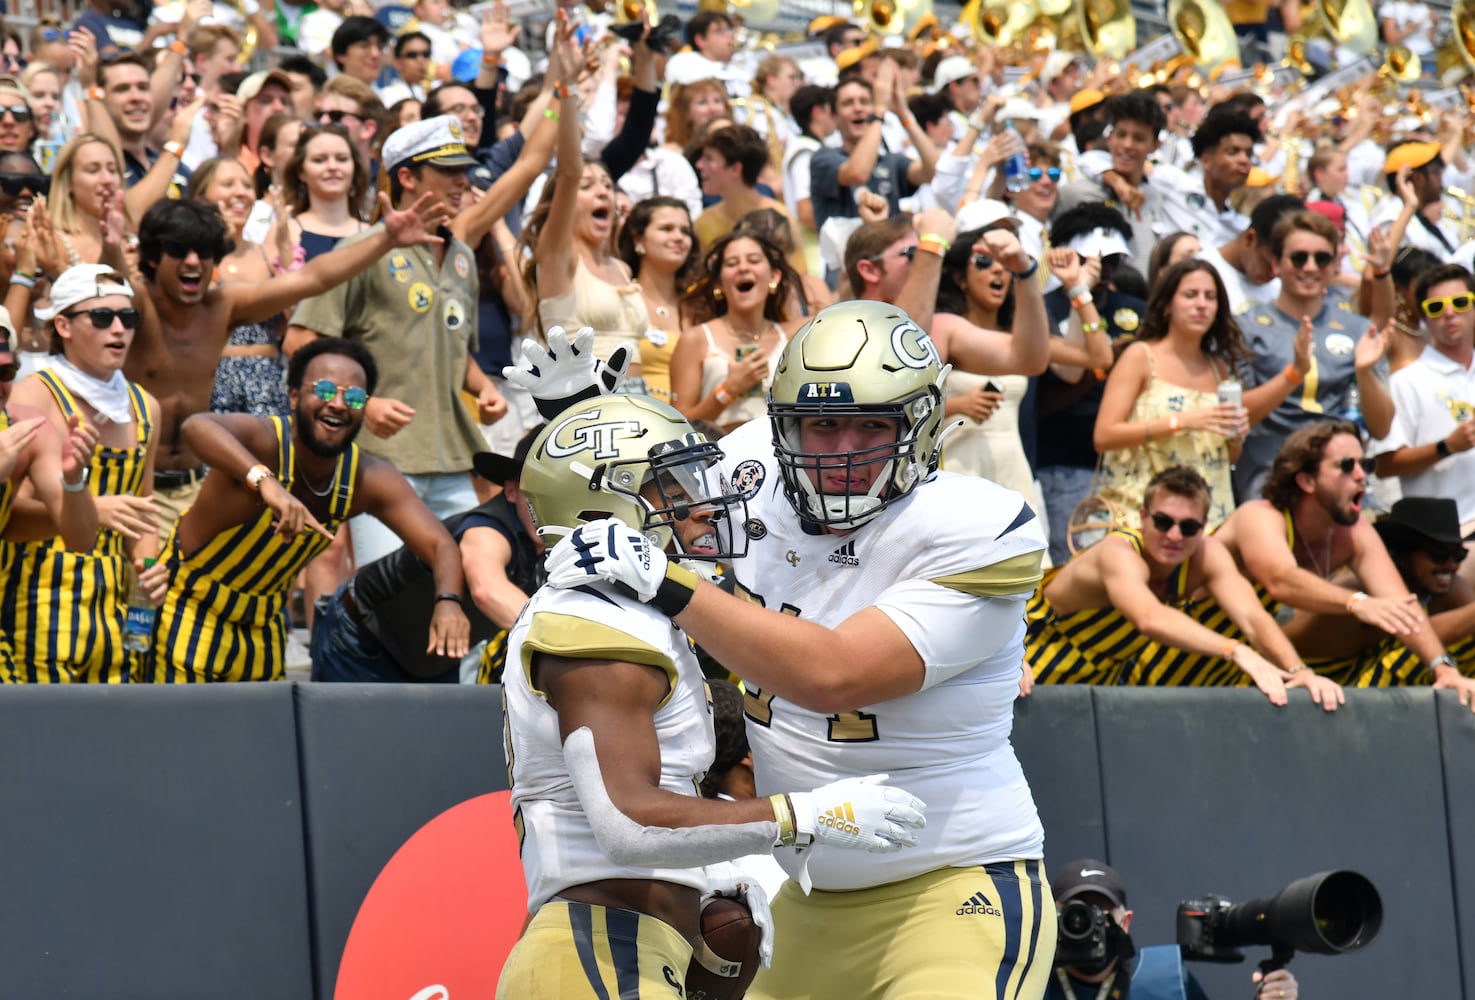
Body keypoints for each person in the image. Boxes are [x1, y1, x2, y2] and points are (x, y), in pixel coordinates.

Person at [542, 298, 1059, 998]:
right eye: (819, 425)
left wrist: (666, 581)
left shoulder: (982, 526)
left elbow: (832, 676)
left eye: (869, 425)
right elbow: (639, 498)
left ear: (921, 424)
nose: (842, 451)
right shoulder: (752, 461)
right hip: (809, 898)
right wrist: (584, 424)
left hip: (954, 885)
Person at [498, 390, 926, 998]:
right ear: (609, 503)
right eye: (673, 487)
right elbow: (626, 826)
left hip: (637, 949)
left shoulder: (624, 611)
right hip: (597, 952)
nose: (701, 503)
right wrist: (804, 815)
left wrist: (712, 877)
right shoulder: (595, 627)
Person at [130, 180, 448, 544]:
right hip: (134, 480)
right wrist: (108, 247)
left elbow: (312, 278)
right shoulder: (132, 304)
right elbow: (99, 291)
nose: (192, 262)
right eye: (178, 251)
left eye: (202, 252)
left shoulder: (222, 307)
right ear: (154, 257)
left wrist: (384, 239)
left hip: (194, 480)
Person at [151, 337, 470, 682]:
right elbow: (195, 427)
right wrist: (265, 482)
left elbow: (442, 545)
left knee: (257, 734)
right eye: (325, 390)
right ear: (293, 397)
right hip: (190, 610)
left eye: (354, 397)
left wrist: (448, 601)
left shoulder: (367, 478)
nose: (338, 404)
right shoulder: (266, 441)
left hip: (264, 628)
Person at [285, 115, 505, 567]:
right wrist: (365, 402)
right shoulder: (364, 248)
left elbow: (453, 347)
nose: (462, 180)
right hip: (380, 458)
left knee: (457, 591)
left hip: (452, 458)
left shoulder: (462, 257)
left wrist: (483, 387)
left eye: (464, 169)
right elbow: (301, 341)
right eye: (448, 170)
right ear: (406, 176)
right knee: (383, 601)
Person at [1026, 465, 1342, 707]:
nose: (1175, 536)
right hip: (1030, 662)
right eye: (1163, 522)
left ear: (1204, 528)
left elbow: (1253, 618)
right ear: (1143, 517)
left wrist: (1300, 671)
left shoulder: (1206, 554)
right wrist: (1235, 650)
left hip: (1091, 684)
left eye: (1188, 527)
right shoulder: (1117, 553)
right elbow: (1148, 617)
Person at [1211, 421, 1475, 702]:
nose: (1361, 476)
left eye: (1365, 465)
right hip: (1178, 651)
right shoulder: (1260, 516)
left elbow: (1402, 608)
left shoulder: (1355, 533)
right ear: (1306, 480)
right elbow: (1281, 580)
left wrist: (1442, 668)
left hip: (1236, 667)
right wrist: (1357, 602)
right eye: (1347, 465)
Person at [2, 263, 163, 684]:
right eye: (102, 317)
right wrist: (90, 505)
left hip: (115, 612)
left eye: (128, 318)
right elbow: (10, 513)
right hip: (39, 603)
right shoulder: (31, 395)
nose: (119, 330)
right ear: (63, 325)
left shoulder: (146, 406)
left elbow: (143, 511)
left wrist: (148, 566)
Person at [310, 424, 547, 684]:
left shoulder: (563, 537)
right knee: (356, 726)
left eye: (554, 493)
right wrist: (558, 640)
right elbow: (488, 591)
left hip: (433, 657)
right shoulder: (486, 530)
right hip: (360, 640)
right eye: (535, 491)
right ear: (511, 490)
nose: (545, 504)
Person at [1234, 210, 1395, 501]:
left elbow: (1381, 428)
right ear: (1275, 263)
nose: (1310, 267)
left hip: (1338, 478)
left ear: (1334, 265)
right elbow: (1236, 416)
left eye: (1321, 258)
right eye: (1298, 257)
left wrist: (1364, 373)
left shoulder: (1356, 329)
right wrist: (1293, 373)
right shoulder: (1245, 326)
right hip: (1268, 475)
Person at [1092, 259, 1258, 532]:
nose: (1201, 304)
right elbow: (1104, 436)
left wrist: (1237, 437)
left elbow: (1227, 458)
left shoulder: (1219, 368)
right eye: (1190, 295)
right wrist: (1181, 422)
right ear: (1167, 304)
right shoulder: (1141, 356)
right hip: (1140, 516)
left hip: (1205, 521)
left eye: (1210, 297)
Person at [1045, 860, 1299, 1000]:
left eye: (1102, 912)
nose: (1088, 925)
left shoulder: (1165, 979)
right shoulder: (1025, 985)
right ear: (1050, 918)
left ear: (1126, 921)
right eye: (1075, 914)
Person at [1370, 263, 1475, 531]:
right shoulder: (1406, 382)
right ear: (1423, 317)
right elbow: (1384, 465)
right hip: (1447, 535)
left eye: (1460, 302)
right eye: (1436, 308)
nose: (1450, 313)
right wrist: (1447, 446)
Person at [669, 231, 804, 433]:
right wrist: (728, 390)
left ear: (774, 276)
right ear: (719, 283)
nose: (743, 268)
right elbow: (675, 428)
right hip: (718, 457)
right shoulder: (696, 339)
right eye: (732, 264)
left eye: (754, 260)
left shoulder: (795, 338)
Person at [616, 196, 701, 404]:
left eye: (685, 231)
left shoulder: (700, 305)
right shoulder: (621, 299)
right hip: (637, 422)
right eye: (667, 229)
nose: (679, 237)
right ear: (638, 239)